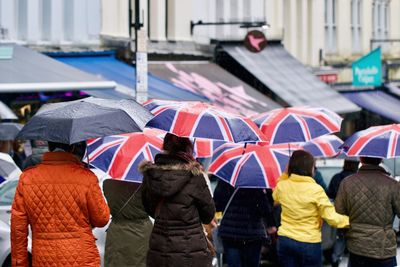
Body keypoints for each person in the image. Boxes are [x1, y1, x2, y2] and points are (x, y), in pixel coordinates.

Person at [11, 141, 110, 267]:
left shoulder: (27, 178)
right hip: (81, 258)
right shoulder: (86, 177)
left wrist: (19, 263)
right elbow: (102, 219)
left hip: (43, 258)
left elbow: (17, 228)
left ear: (49, 146)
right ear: (74, 147)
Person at [139, 133, 216, 267]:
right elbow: (208, 215)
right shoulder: (195, 177)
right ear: (187, 148)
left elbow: (150, 210)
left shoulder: (151, 176)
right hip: (191, 250)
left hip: (160, 248)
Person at [273, 150, 349, 267]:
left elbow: (275, 198)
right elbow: (332, 218)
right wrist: (350, 221)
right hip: (309, 242)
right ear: (309, 168)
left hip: (285, 240)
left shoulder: (282, 186)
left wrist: (285, 173)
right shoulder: (316, 190)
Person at [335, 156, 400, 267]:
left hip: (356, 247)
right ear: (380, 160)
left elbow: (339, 214)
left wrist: (347, 232)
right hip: (383, 249)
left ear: (361, 159)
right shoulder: (393, 184)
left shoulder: (347, 183)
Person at [213, 179, 277, 267]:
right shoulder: (257, 182)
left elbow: (217, 205)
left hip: (230, 233)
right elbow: (265, 209)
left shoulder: (226, 180)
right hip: (253, 233)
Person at [103, 180, 153, 267]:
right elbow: (153, 210)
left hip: (116, 231)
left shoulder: (108, 183)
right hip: (141, 233)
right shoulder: (147, 185)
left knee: (115, 262)